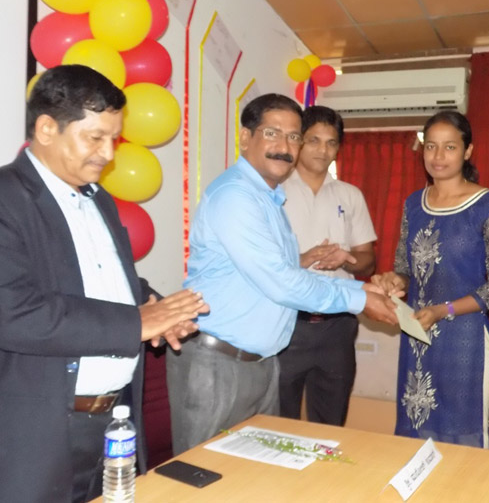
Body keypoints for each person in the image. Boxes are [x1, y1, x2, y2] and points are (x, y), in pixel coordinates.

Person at [0, 65, 206, 503]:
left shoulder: (99, 200)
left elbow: (104, 281)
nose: (108, 153)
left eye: (114, 139)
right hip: (31, 438)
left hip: (112, 425)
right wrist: (137, 321)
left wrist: (158, 309)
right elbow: (13, 315)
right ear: (47, 128)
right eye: (95, 137)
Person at [167, 94, 397, 454]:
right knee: (207, 473)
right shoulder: (236, 196)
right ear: (246, 137)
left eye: (293, 137)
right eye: (272, 133)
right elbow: (281, 281)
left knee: (260, 473)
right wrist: (360, 298)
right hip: (219, 365)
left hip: (259, 364)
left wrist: (364, 290)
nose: (285, 147)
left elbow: (287, 274)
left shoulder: (269, 199)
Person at [372, 110, 489, 448]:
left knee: (463, 440)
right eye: (431, 146)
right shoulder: (413, 204)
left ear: (468, 151)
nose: (438, 156)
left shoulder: (488, 205)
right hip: (418, 338)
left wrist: (443, 310)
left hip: (465, 341)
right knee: (416, 437)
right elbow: (405, 269)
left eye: (449, 147)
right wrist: (394, 281)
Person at [278, 105, 377, 426]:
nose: (323, 150)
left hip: (337, 327)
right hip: (286, 323)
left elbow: (368, 260)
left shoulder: (350, 195)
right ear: (298, 141)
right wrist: (302, 259)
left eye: (331, 142)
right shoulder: (274, 192)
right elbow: (259, 264)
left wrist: (347, 258)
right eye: (314, 140)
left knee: (331, 425)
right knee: (278, 424)